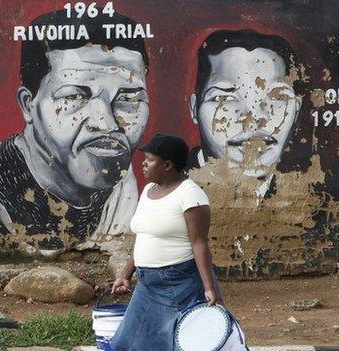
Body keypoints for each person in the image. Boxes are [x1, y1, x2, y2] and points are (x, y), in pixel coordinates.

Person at [0, 9, 150, 252]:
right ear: (28, 105)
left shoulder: (119, 179)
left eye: (128, 98)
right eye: (74, 97)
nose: (106, 124)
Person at [110, 133, 222, 351]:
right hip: (147, 284)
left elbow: (199, 243)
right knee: (128, 344)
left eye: (150, 159)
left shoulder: (191, 195)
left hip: (178, 284)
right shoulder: (148, 191)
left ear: (168, 165)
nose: (143, 163)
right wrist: (125, 274)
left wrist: (209, 288)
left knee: (182, 343)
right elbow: (145, 237)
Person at [188, 29, 303, 199]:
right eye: (225, 97)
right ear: (194, 109)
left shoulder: (318, 201)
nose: (253, 118)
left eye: (277, 96)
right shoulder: (166, 189)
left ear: (296, 110)